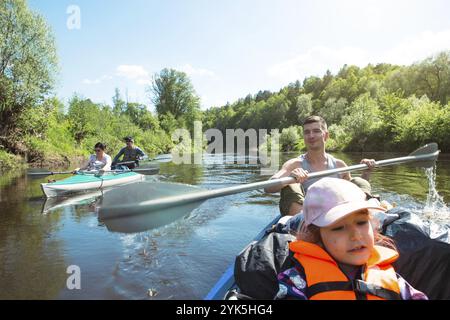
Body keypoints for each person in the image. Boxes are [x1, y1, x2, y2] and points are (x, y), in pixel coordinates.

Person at [275, 177, 427, 300]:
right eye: (338, 228)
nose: (356, 235)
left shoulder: (394, 280)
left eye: (361, 222)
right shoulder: (296, 280)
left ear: (373, 225)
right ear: (317, 237)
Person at [264, 115, 377, 216]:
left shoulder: (339, 165)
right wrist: (291, 179)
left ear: (326, 135)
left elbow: (353, 192)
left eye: (316, 131)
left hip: (336, 214)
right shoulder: (294, 164)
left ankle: (362, 215)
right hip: (307, 216)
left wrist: (366, 173)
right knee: (290, 186)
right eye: (307, 132)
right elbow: (268, 187)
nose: (311, 135)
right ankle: (304, 227)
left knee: (359, 181)